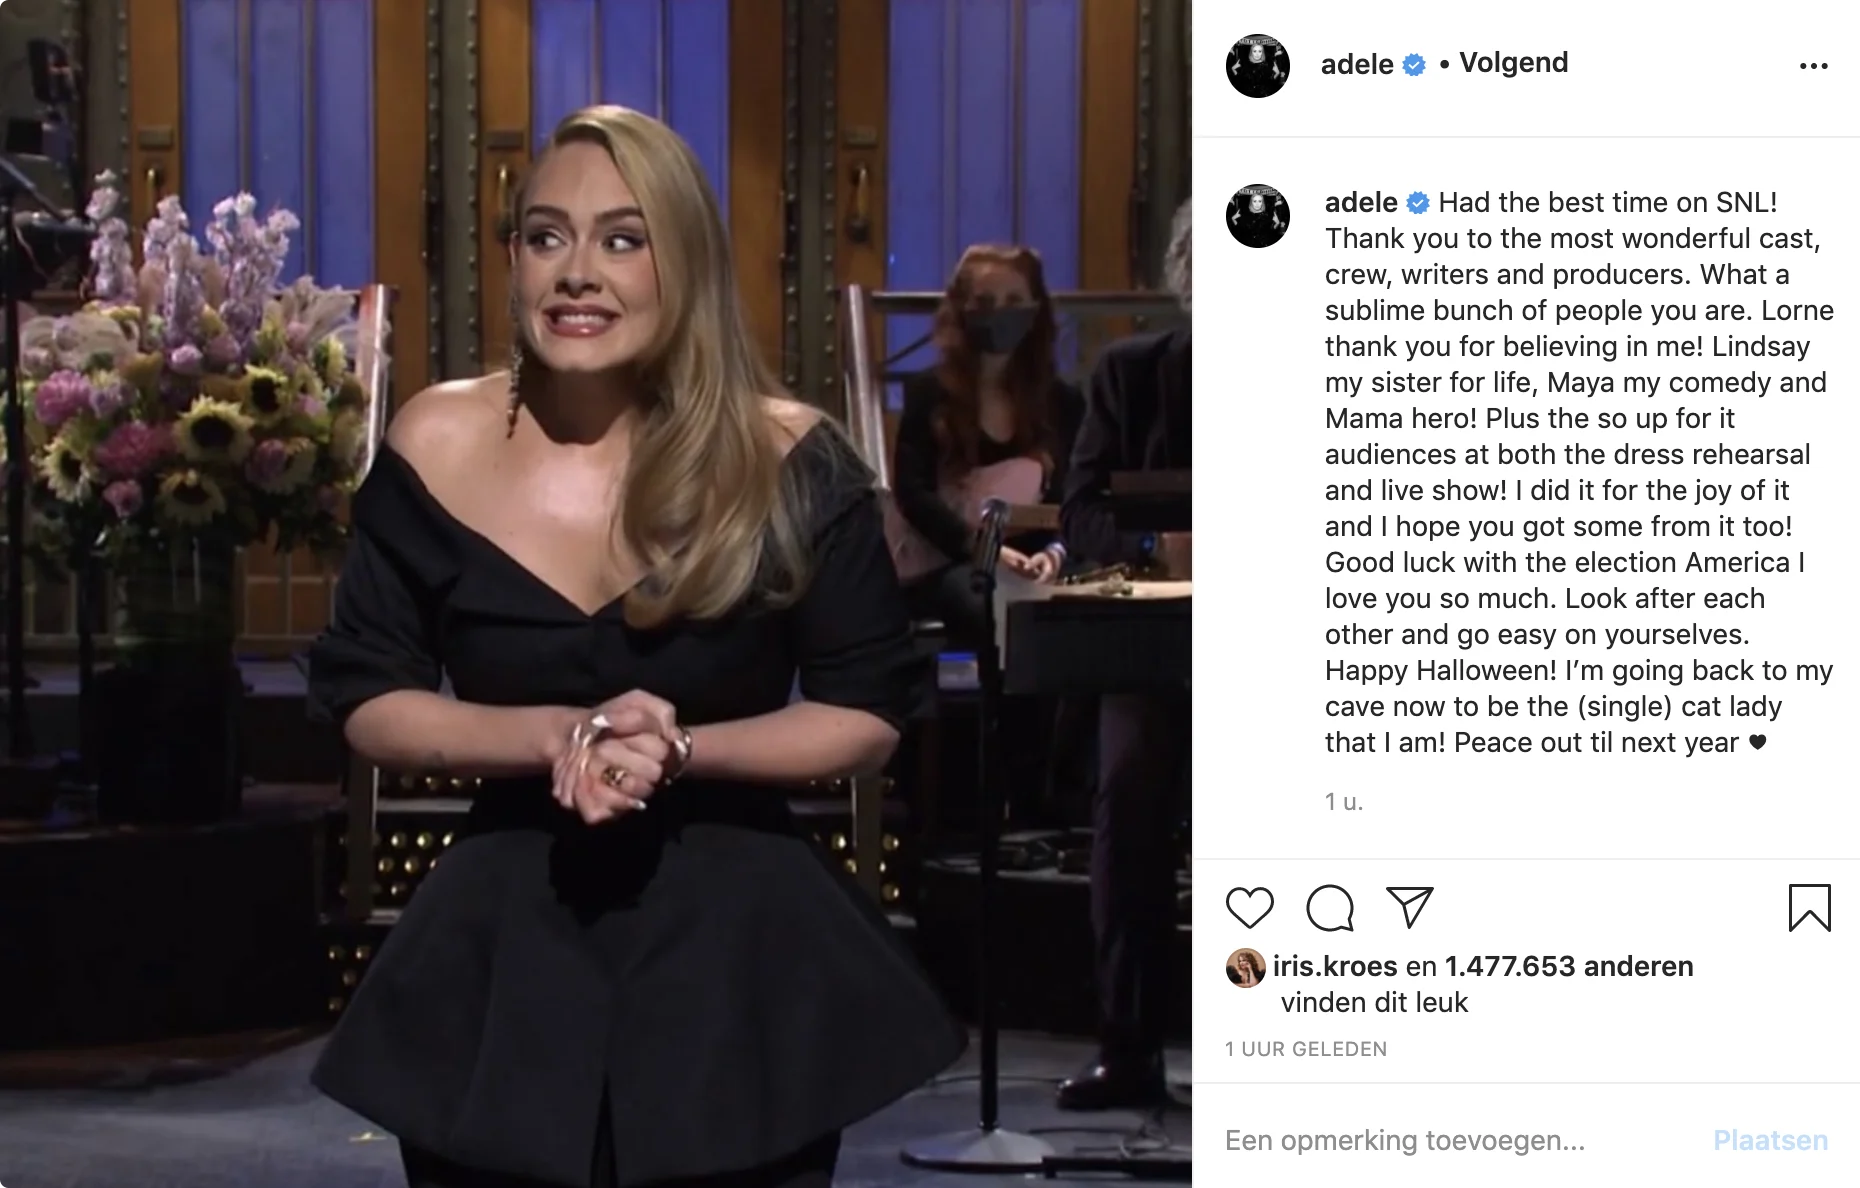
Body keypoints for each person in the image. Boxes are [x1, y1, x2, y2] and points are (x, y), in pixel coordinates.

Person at [305, 105, 966, 1188]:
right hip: (503, 952)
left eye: (623, 238)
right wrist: (559, 735)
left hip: (738, 959)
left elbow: (864, 712)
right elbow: (370, 695)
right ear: (513, 261)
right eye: (545, 236)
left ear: (686, 261)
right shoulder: (434, 437)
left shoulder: (790, 455)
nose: (578, 272)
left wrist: (683, 750)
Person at [1055, 198, 1193, 1112]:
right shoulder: (1132, 374)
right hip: (1157, 635)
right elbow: (1082, 513)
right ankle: (1128, 1049)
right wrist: (1163, 548)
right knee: (1131, 797)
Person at [888, 243, 1083, 643]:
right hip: (953, 559)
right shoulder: (928, 393)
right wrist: (983, 549)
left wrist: (1054, 552)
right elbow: (913, 493)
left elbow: (1074, 494)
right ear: (961, 308)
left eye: (1013, 300)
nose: (1000, 311)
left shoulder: (1061, 400)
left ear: (1035, 309)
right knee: (981, 604)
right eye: (985, 301)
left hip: (1038, 557)